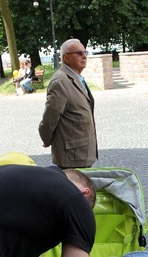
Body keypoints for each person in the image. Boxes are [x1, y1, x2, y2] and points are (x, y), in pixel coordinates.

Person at [39, 38, 98, 169]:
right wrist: (46, 139)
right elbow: (50, 117)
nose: (84, 56)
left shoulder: (76, 77)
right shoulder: (60, 81)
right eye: (78, 53)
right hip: (72, 156)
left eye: (85, 52)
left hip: (81, 151)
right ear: (65, 58)